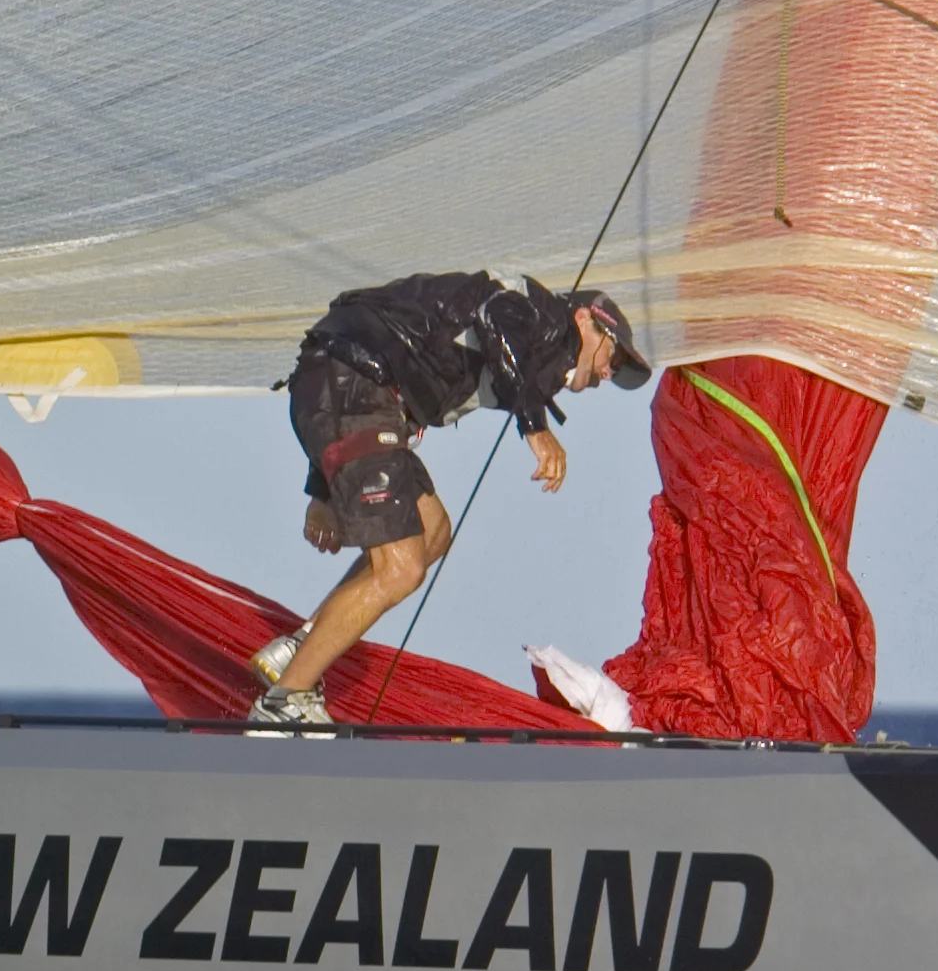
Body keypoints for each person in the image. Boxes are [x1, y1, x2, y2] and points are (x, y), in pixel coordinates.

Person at [247, 273, 651, 727]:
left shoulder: (535, 344)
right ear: (584, 319)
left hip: (350, 391)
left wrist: (321, 490)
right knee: (401, 568)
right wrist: (535, 427)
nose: (605, 374)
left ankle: (300, 651)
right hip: (353, 383)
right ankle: (284, 704)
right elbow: (496, 315)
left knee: (434, 531)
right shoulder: (545, 319)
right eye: (610, 355)